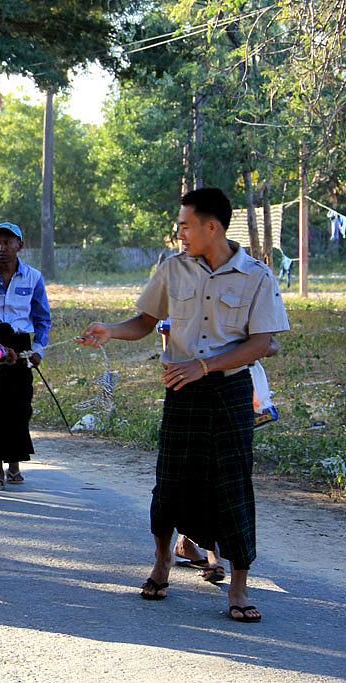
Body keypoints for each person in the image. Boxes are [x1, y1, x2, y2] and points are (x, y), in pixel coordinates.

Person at [77, 188, 289, 623]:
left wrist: (204, 366)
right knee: (170, 481)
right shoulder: (172, 269)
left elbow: (262, 343)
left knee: (232, 486)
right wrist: (109, 331)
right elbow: (144, 322)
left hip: (228, 392)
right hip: (181, 389)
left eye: (185, 226)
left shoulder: (257, 276)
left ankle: (239, 584)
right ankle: (161, 563)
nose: (180, 234)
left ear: (212, 227)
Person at [0, 222, 51, 489]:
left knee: (20, 408)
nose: (3, 247)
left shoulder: (33, 277)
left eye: (8, 242)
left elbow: (42, 319)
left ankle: (15, 466)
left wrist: (38, 350)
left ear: (20, 245)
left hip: (22, 347)